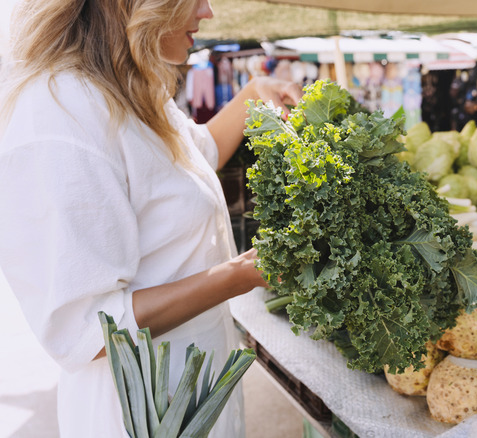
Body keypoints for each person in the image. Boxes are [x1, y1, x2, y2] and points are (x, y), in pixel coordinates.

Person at [0, 1, 303, 437]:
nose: (208, 12)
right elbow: (85, 331)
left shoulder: (127, 88)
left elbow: (195, 159)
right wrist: (242, 274)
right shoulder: (59, 117)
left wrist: (254, 95)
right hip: (138, 416)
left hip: (197, 391)